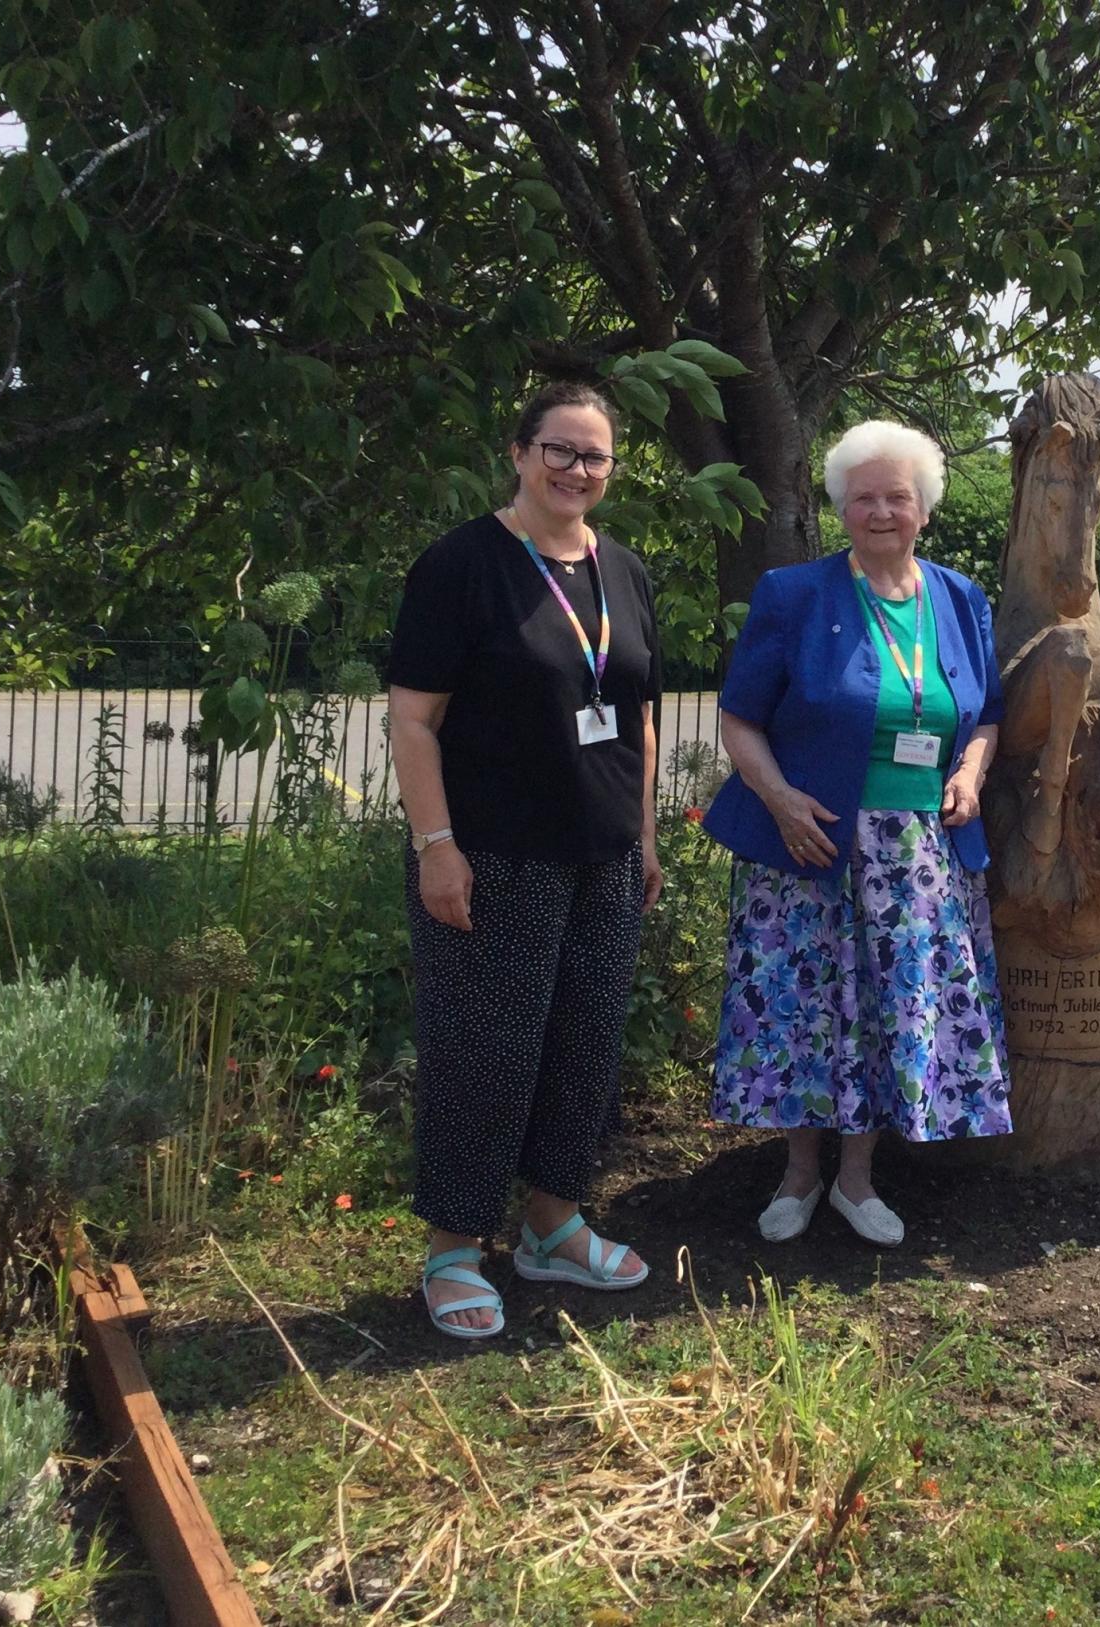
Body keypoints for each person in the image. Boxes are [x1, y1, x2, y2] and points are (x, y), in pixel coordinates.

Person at [387, 380, 663, 1339]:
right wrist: (437, 847)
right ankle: (454, 1248)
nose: (578, 470)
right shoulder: (462, 566)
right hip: (492, 857)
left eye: (595, 457)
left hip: (603, 858)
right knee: (482, 1052)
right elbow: (414, 720)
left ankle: (552, 1222)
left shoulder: (623, 570)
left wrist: (647, 835)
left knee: (582, 1047)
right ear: (518, 452)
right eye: (561, 450)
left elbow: (640, 710)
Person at [703, 420, 1010, 1249]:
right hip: (813, 844)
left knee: (886, 1010)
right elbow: (739, 717)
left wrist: (969, 774)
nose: (881, 511)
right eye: (863, 496)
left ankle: (856, 1179)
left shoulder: (959, 598)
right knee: (807, 1009)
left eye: (897, 497)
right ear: (840, 508)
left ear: (924, 508)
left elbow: (983, 714)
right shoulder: (794, 594)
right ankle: (799, 1173)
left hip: (916, 857)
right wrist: (779, 800)